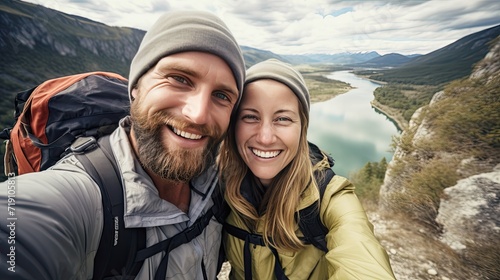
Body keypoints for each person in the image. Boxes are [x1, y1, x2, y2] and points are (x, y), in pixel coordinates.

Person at [0, 10, 245, 279]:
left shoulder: (223, 188)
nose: (198, 114)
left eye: (221, 95)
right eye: (179, 79)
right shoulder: (81, 200)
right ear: (136, 88)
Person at [218, 59, 396, 279]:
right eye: (250, 117)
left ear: (302, 128)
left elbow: (360, 252)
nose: (265, 137)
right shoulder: (217, 187)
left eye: (282, 118)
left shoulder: (328, 198)